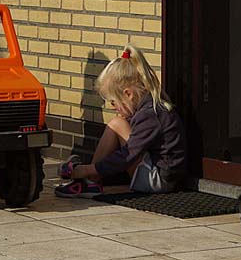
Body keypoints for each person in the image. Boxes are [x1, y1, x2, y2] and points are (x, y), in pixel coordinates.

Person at [55, 44, 187, 198]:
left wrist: (87, 169)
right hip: (159, 173)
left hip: (161, 181)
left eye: (113, 102)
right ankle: (91, 180)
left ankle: (89, 179)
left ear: (128, 94)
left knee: (117, 124)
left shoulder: (150, 114)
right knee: (118, 122)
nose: (113, 107)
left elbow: (128, 154)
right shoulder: (150, 106)